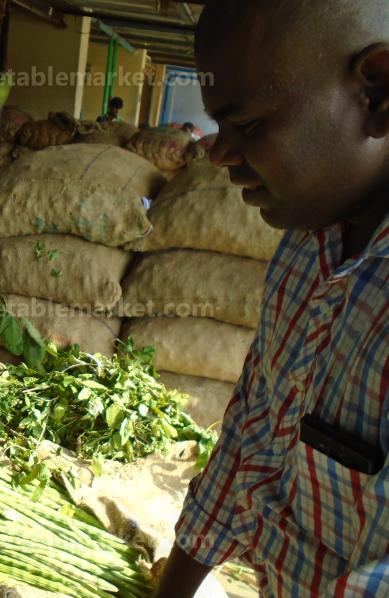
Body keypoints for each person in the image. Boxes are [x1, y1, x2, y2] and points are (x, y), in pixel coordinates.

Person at [153, 1, 388, 596]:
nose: (219, 154)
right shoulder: (305, 247)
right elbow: (255, 433)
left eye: (249, 125)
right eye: (218, 125)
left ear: (379, 92)